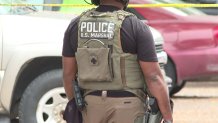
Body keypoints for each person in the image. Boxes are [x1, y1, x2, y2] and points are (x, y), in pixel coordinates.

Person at [62, 0, 173, 123]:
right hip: (128, 107)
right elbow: (153, 77)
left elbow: (68, 75)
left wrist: (75, 105)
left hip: (90, 107)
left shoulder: (75, 25)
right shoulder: (135, 26)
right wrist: (168, 117)